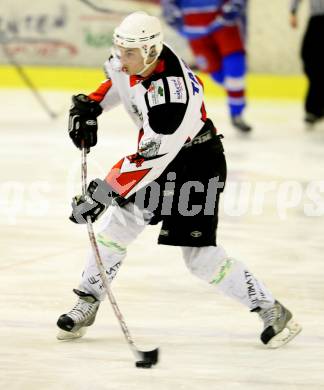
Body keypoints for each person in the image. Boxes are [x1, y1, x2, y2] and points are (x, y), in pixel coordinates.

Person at [57, 11, 301, 349]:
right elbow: (118, 82)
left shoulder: (173, 99)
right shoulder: (133, 56)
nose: (120, 58)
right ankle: (88, 300)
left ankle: (271, 309)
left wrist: (103, 192)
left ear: (151, 51)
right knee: (116, 231)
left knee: (200, 259)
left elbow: (149, 160)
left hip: (196, 165)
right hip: (160, 159)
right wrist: (91, 106)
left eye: (129, 54)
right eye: (120, 49)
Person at [161, 0, 252, 132]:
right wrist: (176, 21)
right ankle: (236, 99)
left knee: (235, 67)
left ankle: (236, 114)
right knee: (216, 74)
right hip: (194, 30)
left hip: (224, 25)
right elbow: (168, 6)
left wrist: (232, 8)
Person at [290, 0, 324, 126]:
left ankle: (315, 109)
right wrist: (293, 12)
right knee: (309, 60)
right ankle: (315, 108)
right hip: (316, 21)